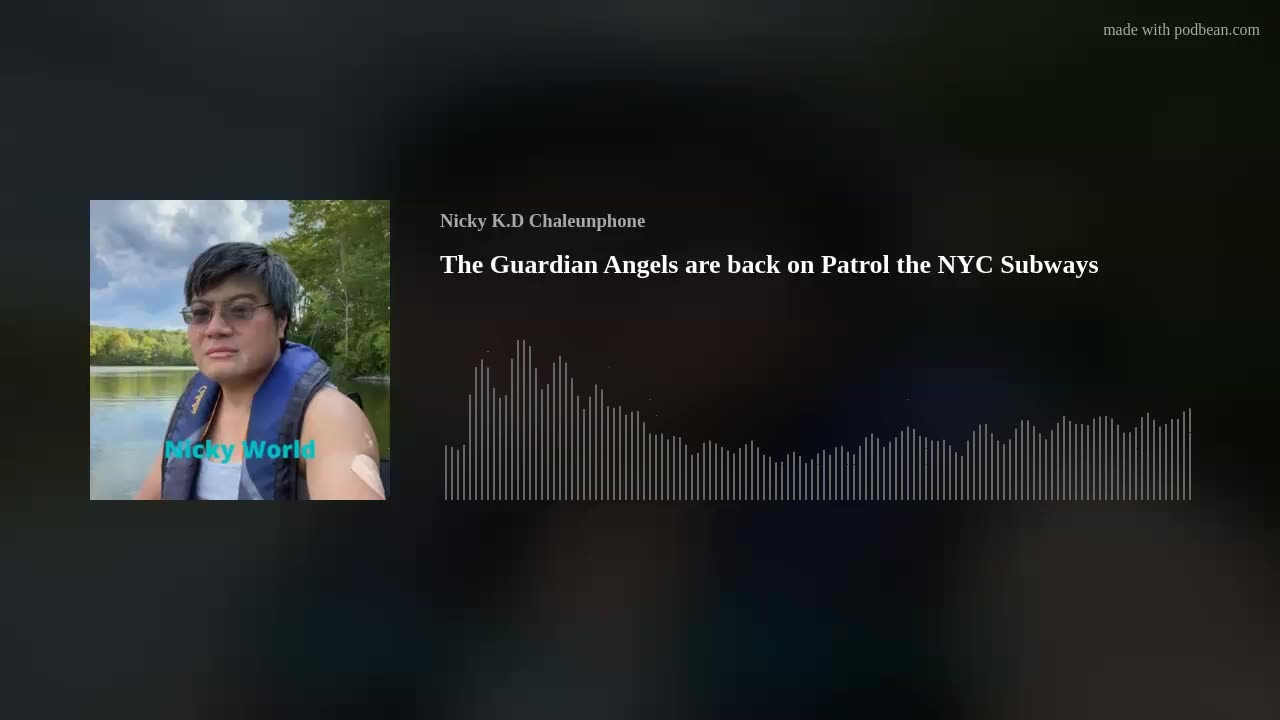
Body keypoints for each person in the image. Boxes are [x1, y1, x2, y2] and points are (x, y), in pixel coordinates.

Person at [134, 242, 385, 500]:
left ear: (281, 321)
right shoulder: (194, 409)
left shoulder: (328, 417)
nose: (215, 328)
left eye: (241, 310)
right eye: (200, 312)